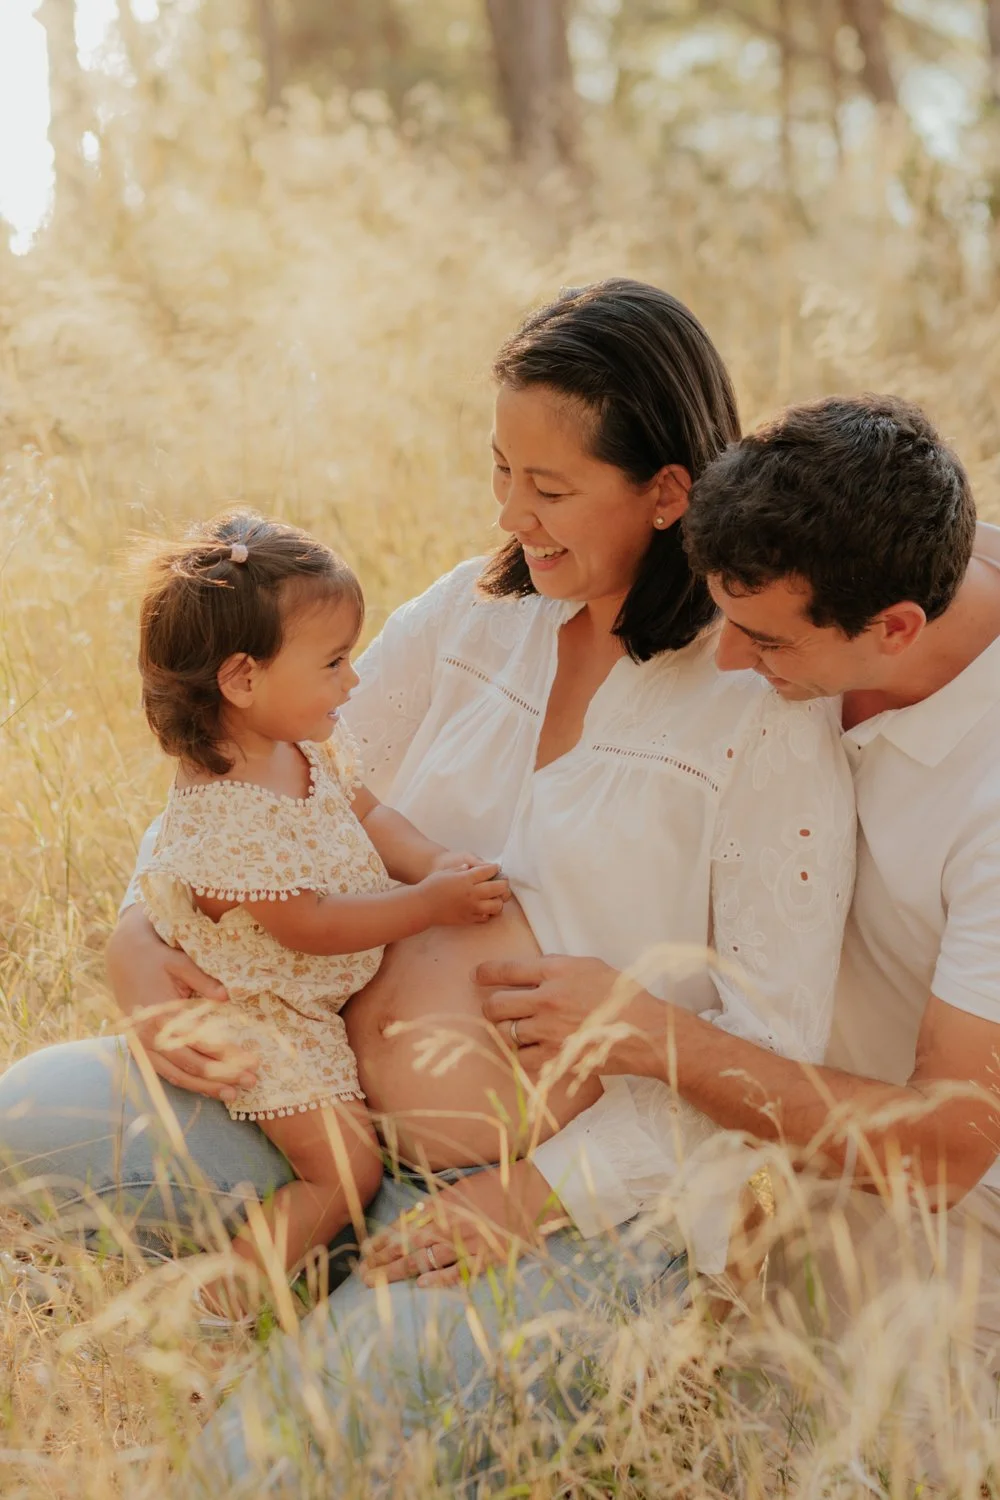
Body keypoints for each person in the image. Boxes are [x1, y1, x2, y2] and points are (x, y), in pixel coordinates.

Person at [0, 281, 855, 1489]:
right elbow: (264, 777)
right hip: (315, 1102)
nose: (511, 511)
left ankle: (332, 1329)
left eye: (550, 490)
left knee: (273, 1464)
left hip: (562, 1205)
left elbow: (768, 1039)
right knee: (18, 1122)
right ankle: (300, 1262)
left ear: (669, 493)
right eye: (500, 469)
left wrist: (528, 1194)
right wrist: (140, 937)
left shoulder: (759, 710)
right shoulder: (473, 612)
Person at [482, 394, 1000, 1410]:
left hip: (938, 1202)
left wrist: (648, 1036)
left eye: (763, 642)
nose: (723, 662)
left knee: (788, 1442)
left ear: (896, 628)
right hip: (774, 1137)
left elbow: (945, 1148)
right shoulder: (882, 533)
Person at [129, 512, 510, 1314]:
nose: (354, 681)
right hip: (266, 1017)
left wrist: (431, 860)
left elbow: (369, 813)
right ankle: (216, 1303)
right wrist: (424, 904)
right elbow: (310, 923)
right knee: (343, 1172)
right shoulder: (227, 811)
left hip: (310, 1007)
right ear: (241, 680)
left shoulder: (304, 742)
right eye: (334, 662)